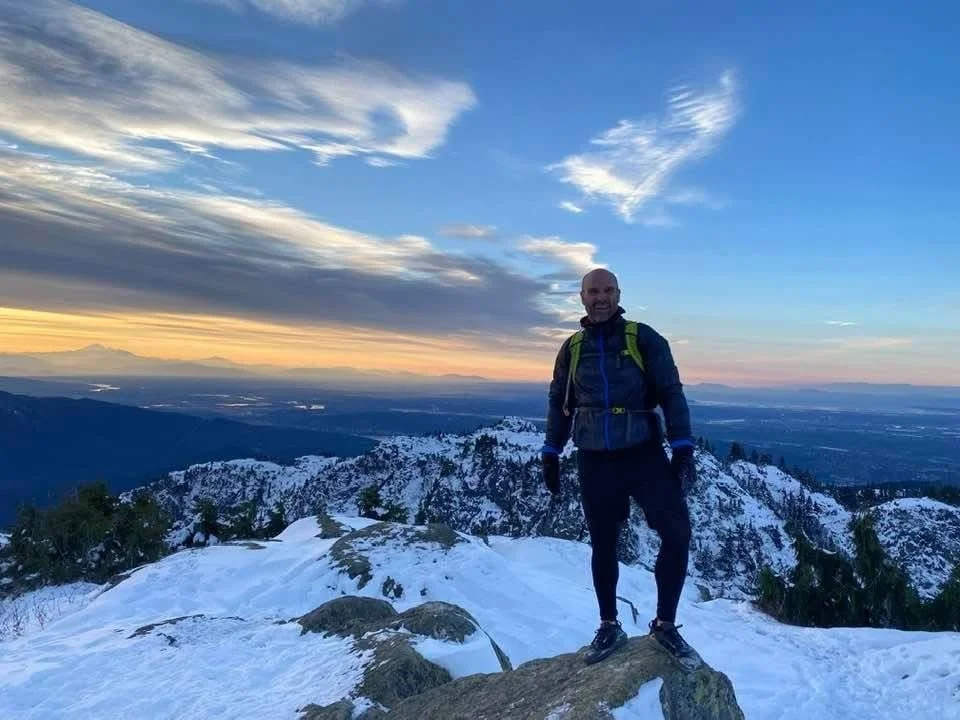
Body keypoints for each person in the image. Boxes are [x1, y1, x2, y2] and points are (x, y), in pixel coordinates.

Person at [540, 267, 698, 666]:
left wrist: (682, 448)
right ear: (582, 297)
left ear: (619, 294)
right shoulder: (572, 348)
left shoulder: (643, 338)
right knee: (603, 543)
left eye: (607, 290)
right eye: (593, 291)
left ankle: (665, 624)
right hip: (594, 457)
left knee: (677, 532)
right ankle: (608, 624)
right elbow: (560, 401)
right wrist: (551, 450)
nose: (601, 298)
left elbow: (671, 393)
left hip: (643, 453)